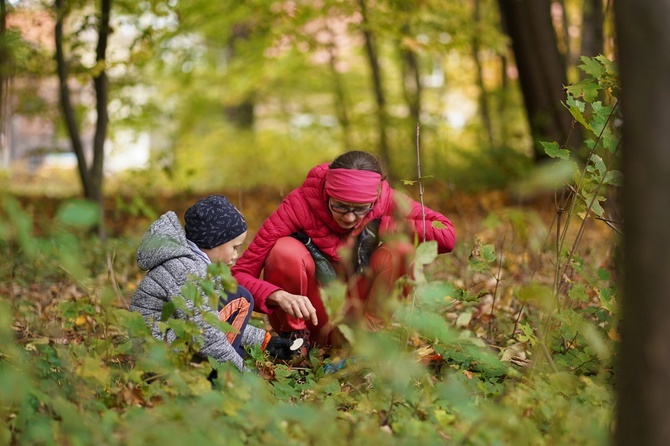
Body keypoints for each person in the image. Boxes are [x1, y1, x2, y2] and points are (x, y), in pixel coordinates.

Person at [231, 150, 456, 348]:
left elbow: (447, 235)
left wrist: (388, 225)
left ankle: (366, 343)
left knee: (402, 248)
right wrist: (276, 294)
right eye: (338, 205)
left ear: (376, 196)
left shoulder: (386, 200)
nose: (349, 217)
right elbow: (239, 275)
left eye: (360, 209)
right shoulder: (299, 204)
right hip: (310, 311)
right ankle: (295, 340)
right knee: (285, 250)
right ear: (327, 192)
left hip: (356, 313)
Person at [130, 195, 297, 373]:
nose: (235, 255)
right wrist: (242, 375)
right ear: (214, 241)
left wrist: (266, 342)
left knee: (235, 343)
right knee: (240, 298)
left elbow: (215, 319)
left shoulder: (199, 265)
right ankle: (212, 377)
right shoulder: (186, 270)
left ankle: (213, 373)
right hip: (159, 355)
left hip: (169, 343)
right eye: (234, 247)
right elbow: (206, 333)